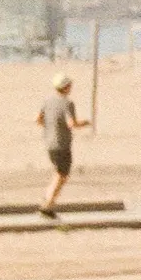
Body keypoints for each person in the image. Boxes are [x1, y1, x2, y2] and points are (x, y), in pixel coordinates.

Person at [38, 75, 88, 217]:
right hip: (62, 144)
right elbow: (72, 123)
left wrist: (52, 127)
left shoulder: (47, 101)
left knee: (59, 173)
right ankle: (48, 205)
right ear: (66, 87)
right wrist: (84, 123)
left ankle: (48, 197)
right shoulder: (67, 103)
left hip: (49, 142)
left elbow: (39, 119)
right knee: (62, 175)